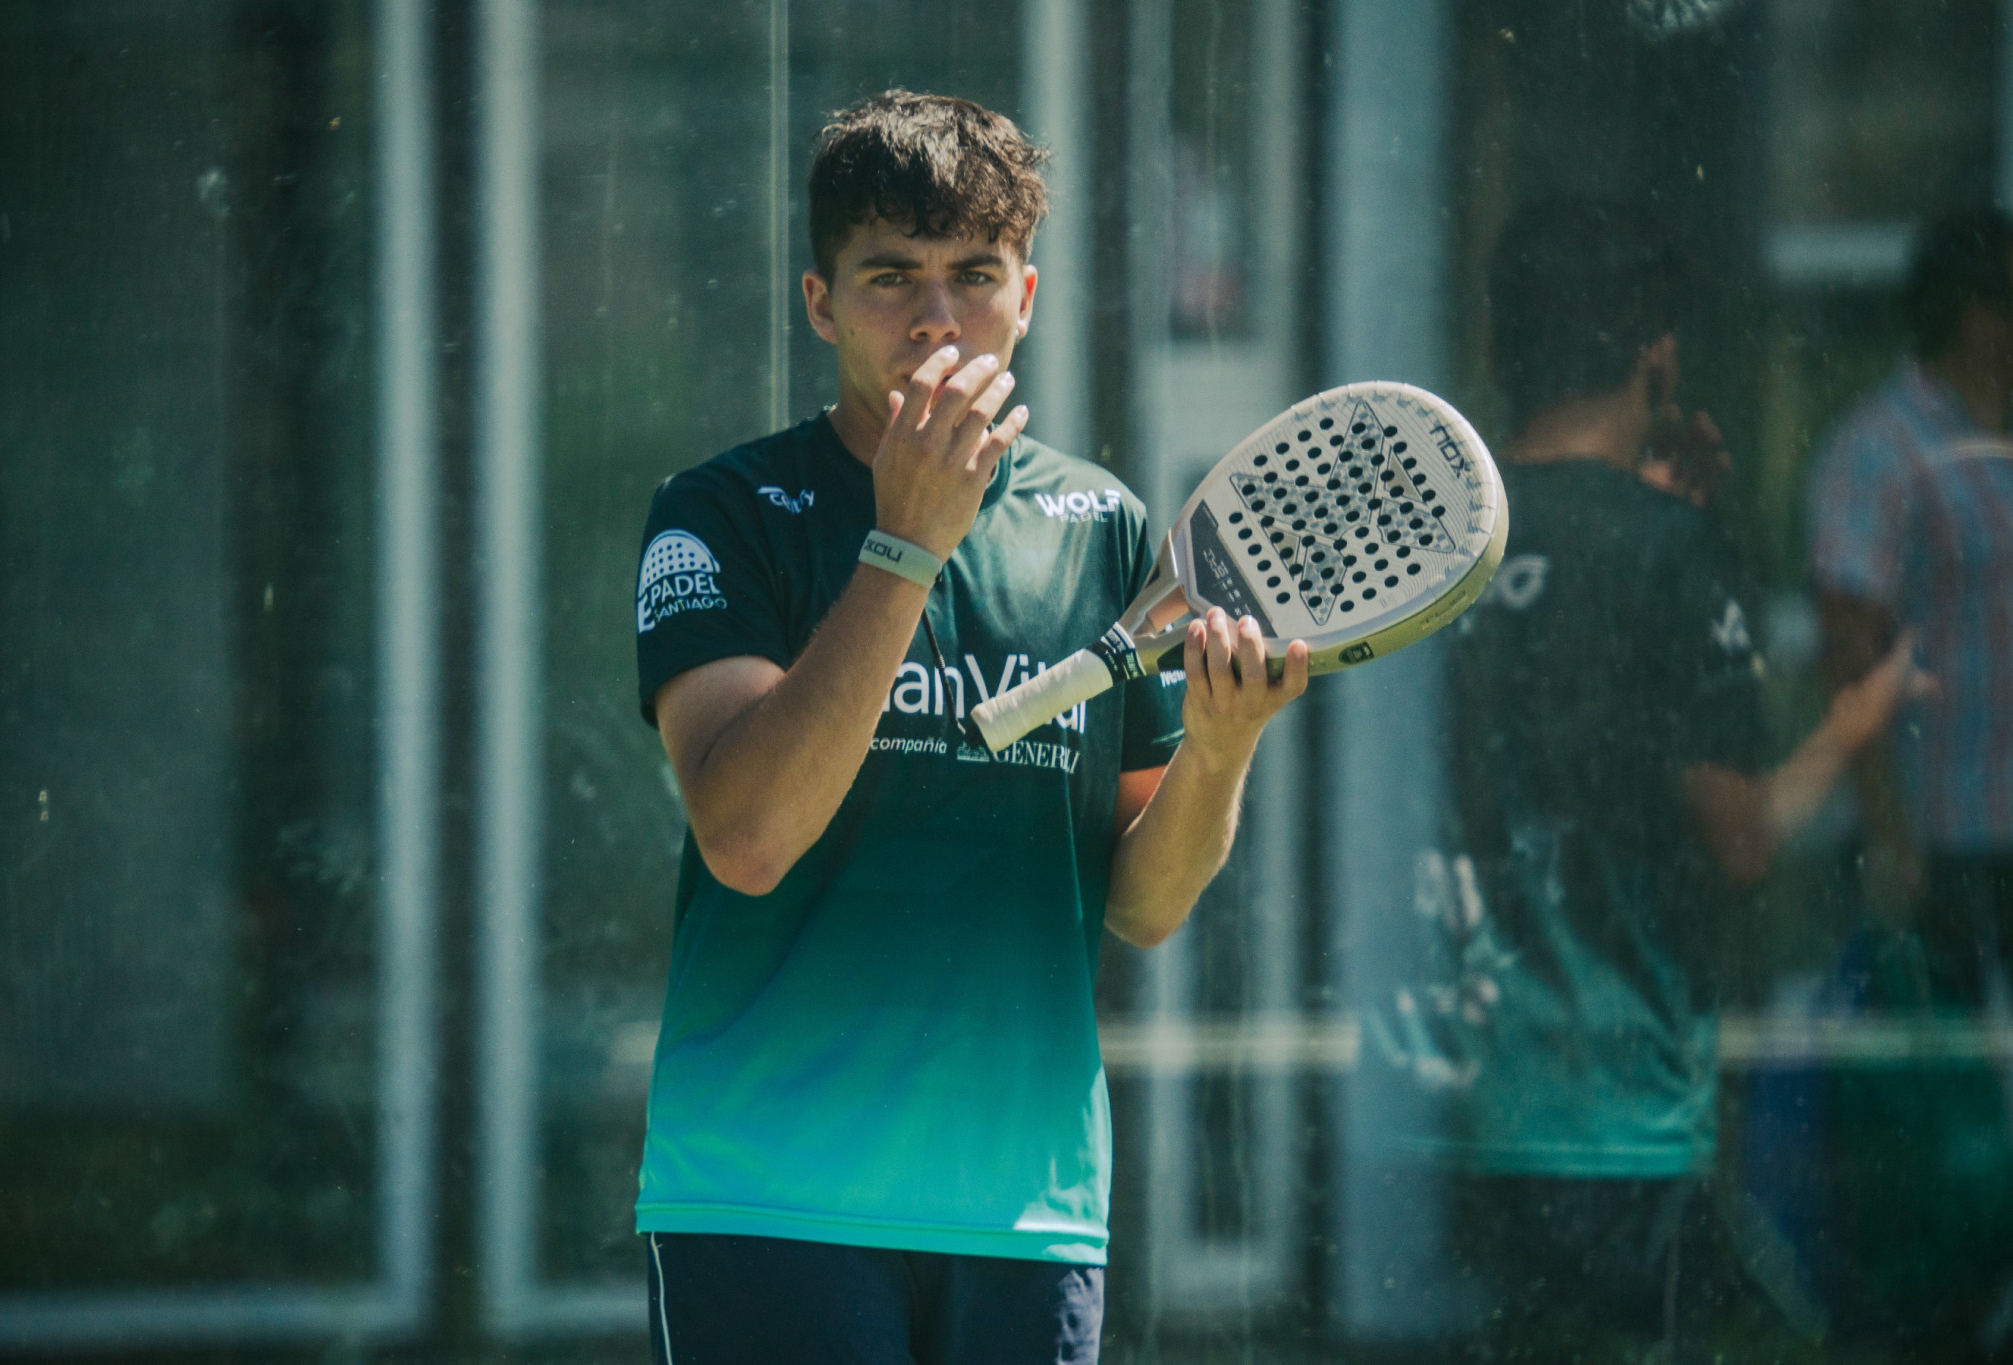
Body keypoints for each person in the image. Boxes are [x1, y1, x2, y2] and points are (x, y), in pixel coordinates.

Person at [629, 91, 1306, 1364]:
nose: (937, 318)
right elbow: (748, 838)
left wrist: (1222, 749)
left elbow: (1141, 906)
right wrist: (904, 546)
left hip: (1027, 1214)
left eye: (975, 276)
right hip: (766, 1199)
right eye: (890, 277)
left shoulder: (1103, 529)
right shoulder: (720, 512)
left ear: (1027, 297)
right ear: (820, 303)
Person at [1360, 199, 1924, 1360]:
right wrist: (1851, 724)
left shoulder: (1420, 543)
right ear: (1654, 357)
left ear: (1502, 341)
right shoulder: (1666, 551)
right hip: (1608, 1116)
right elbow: (1741, 841)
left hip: (1435, 1102)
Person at [1807, 206, 2013, 1003]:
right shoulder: (1881, 449)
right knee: (1937, 1065)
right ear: (1977, 317)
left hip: (2001, 834)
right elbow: (1847, 643)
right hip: (1938, 847)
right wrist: (1891, 838)